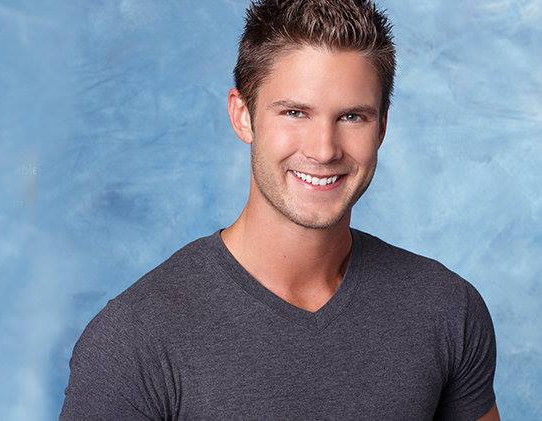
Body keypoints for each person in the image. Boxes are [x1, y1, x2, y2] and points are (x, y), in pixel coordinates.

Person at [60, 0, 499, 419]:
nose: (324, 150)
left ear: (381, 127)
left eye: (352, 117)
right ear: (243, 115)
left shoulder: (446, 308)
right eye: (294, 113)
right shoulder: (134, 340)